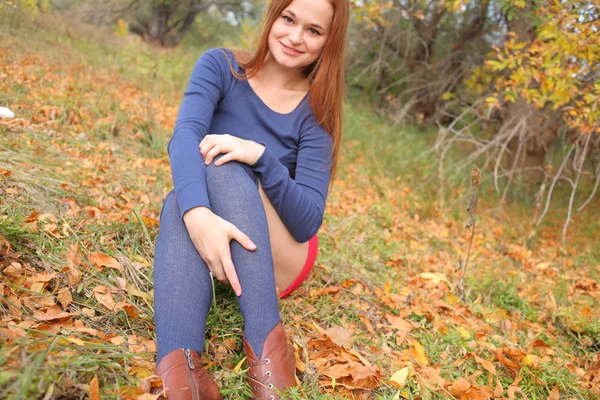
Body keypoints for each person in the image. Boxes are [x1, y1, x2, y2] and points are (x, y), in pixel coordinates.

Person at [151, 0, 349, 397]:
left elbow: (308, 220)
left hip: (277, 255)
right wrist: (197, 214)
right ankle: (182, 375)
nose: (295, 37)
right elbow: (185, 136)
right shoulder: (220, 67)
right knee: (183, 197)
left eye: (313, 30)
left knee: (222, 161)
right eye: (288, 19)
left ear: (329, 40)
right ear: (273, 16)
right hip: (209, 236)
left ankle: (266, 348)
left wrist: (260, 156)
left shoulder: (316, 111)